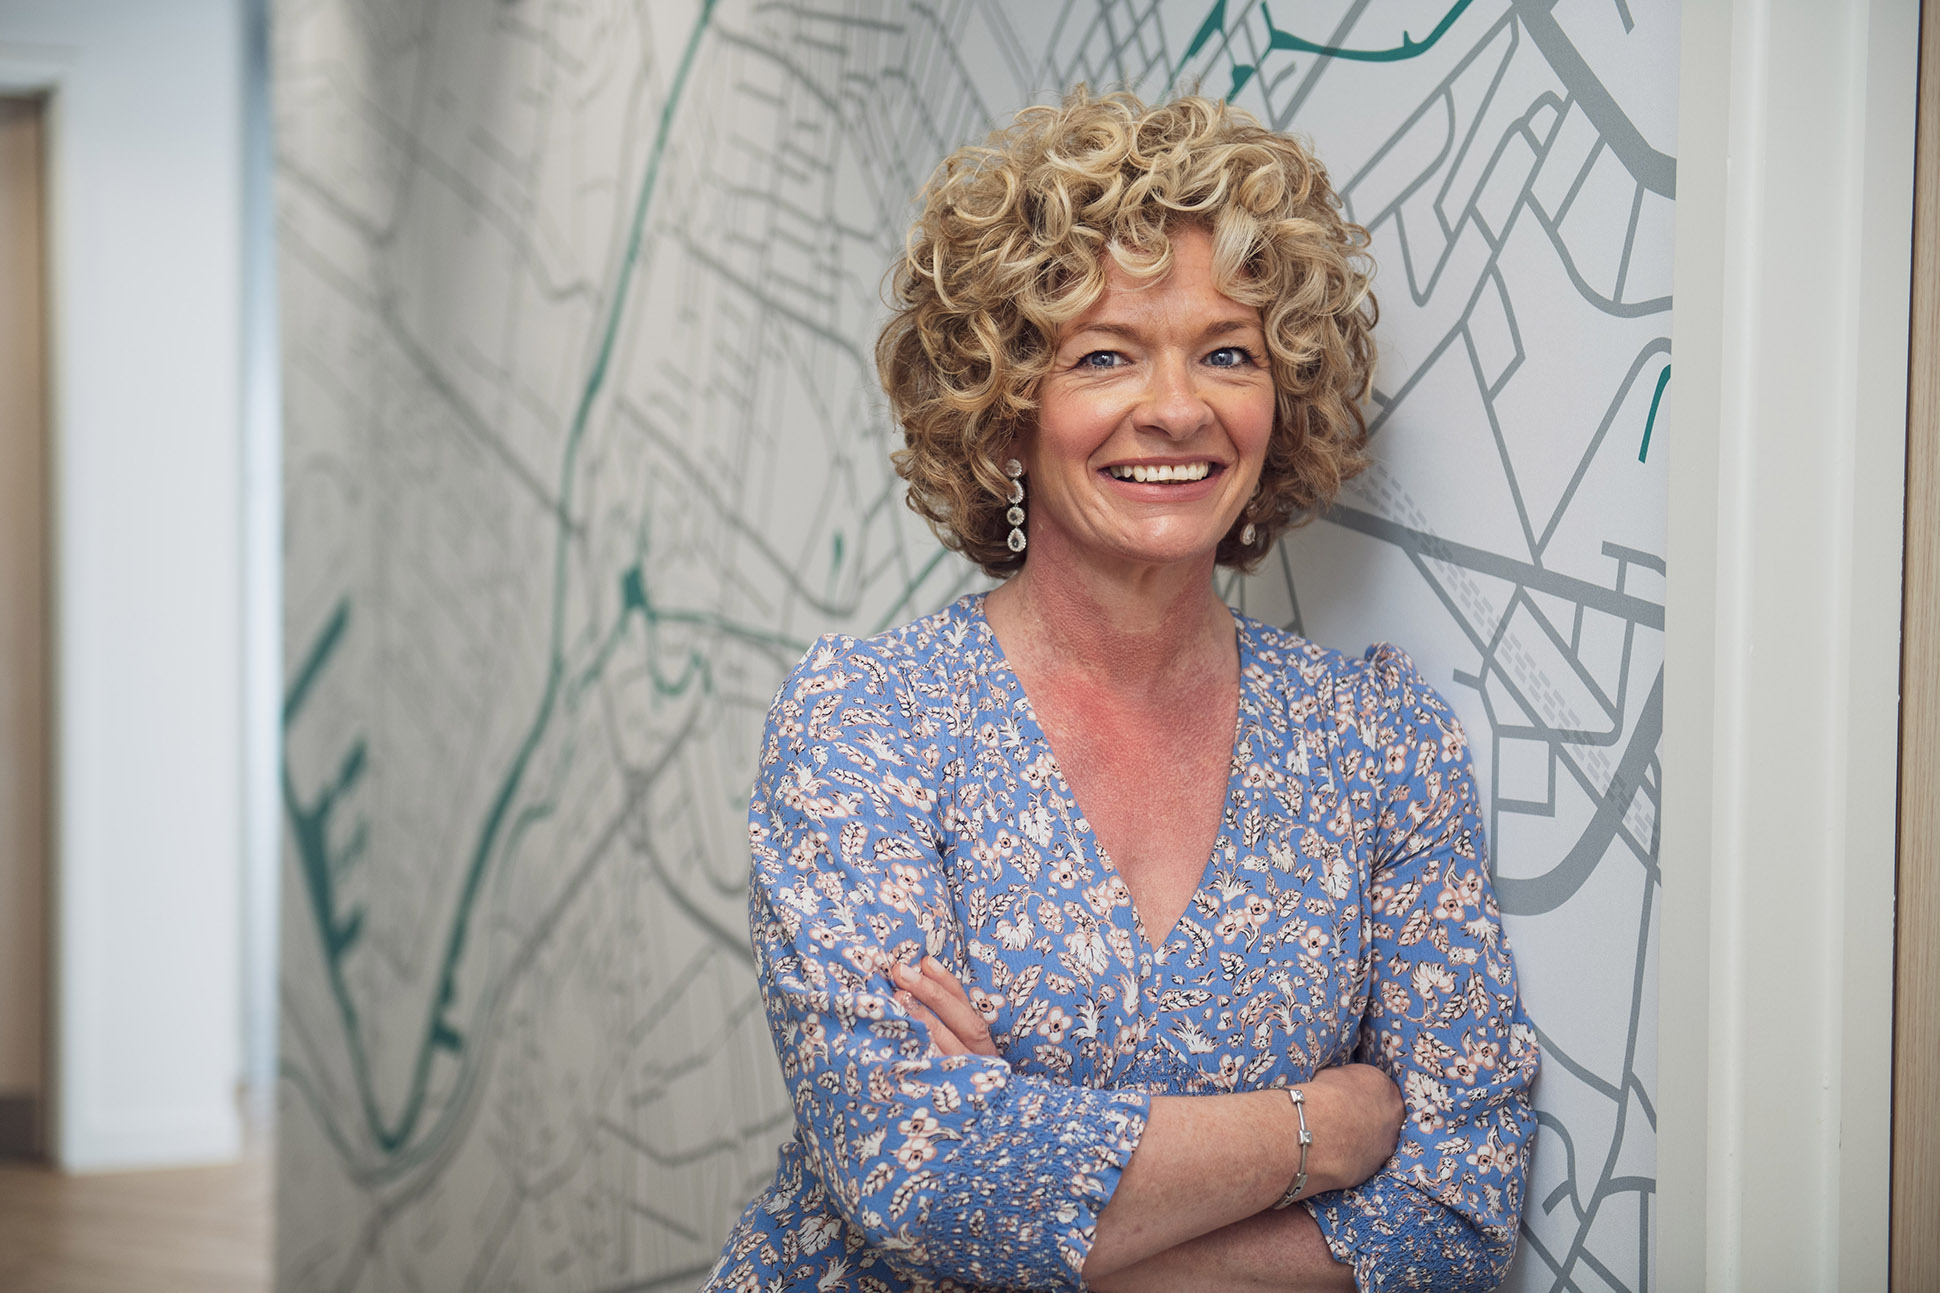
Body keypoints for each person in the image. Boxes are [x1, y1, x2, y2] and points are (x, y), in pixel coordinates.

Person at [704, 88, 1537, 1293]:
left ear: (1279, 395)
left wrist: (1035, 1193)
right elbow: (913, 1175)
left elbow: (1456, 1215)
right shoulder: (864, 722)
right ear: (1005, 409)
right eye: (1104, 353)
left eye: (1226, 352)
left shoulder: (1376, 739)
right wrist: (1329, 1127)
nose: (1177, 407)